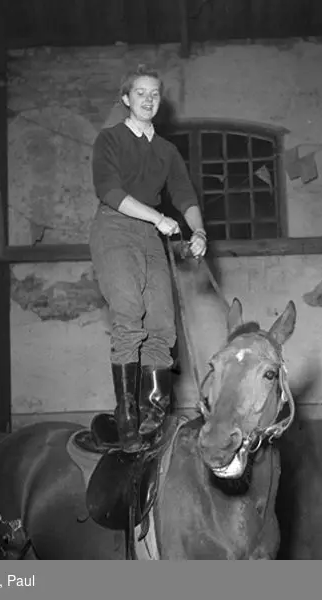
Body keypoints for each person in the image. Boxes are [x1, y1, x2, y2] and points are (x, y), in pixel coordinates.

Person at [85, 64, 207, 453]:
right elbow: (108, 190)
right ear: (126, 99)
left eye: (155, 93)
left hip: (151, 236)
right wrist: (158, 217)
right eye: (141, 93)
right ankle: (126, 419)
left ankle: (154, 414)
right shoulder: (110, 139)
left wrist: (198, 232)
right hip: (115, 228)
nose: (149, 99)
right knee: (130, 314)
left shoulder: (167, 151)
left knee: (162, 324)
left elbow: (185, 195)